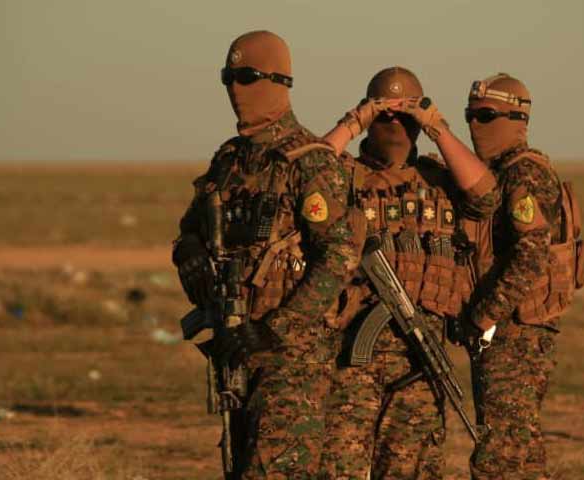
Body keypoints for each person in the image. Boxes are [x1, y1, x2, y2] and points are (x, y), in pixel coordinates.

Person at [171, 30, 364, 479]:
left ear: (279, 81)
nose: (236, 90)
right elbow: (187, 230)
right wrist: (191, 252)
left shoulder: (310, 163)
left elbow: (340, 256)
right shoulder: (230, 160)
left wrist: (276, 328)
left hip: (291, 358)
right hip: (234, 345)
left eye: (247, 76)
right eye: (229, 77)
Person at [319, 66, 500, 479]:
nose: (395, 124)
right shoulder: (343, 175)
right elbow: (300, 174)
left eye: (406, 116)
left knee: (411, 469)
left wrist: (436, 126)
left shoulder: (438, 179)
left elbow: (487, 196)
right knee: (338, 467)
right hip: (351, 352)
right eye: (385, 115)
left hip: (420, 355)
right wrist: (354, 121)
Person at [464, 73, 584, 480]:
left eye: (485, 115)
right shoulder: (500, 172)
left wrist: (486, 315)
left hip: (516, 333)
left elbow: (530, 257)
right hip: (518, 331)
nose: (475, 126)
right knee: (523, 448)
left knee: (500, 454)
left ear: (515, 118)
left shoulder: (523, 174)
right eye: (470, 115)